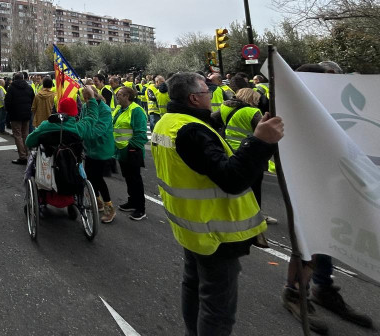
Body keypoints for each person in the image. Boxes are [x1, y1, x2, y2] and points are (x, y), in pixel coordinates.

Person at [152, 72, 283, 336]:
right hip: (215, 234)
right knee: (217, 308)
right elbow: (231, 179)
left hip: (191, 228)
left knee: (193, 287)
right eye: (207, 92)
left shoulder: (167, 122)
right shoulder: (191, 130)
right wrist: (260, 142)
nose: (212, 96)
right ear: (193, 98)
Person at [280, 62, 373, 333]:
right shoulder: (290, 107)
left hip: (334, 181)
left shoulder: (328, 106)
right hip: (305, 182)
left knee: (328, 237)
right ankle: (294, 292)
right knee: (309, 242)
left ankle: (323, 288)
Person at [77, 86, 116, 222]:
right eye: (84, 98)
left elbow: (98, 130)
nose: (85, 100)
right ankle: (97, 201)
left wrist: (81, 132)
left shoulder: (104, 109)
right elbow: (82, 122)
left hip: (102, 149)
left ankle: (109, 208)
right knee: (89, 177)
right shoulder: (86, 107)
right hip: (89, 149)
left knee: (98, 179)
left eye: (87, 97)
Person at [112, 87, 149, 220]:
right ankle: (132, 201)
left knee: (135, 179)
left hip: (132, 151)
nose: (117, 96)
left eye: (120, 94)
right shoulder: (119, 109)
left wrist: (130, 148)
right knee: (128, 178)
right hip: (121, 150)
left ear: (127, 96)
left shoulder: (136, 111)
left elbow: (140, 134)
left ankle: (140, 208)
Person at [5, 72, 35, 164]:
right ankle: (27, 154)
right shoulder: (29, 87)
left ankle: (22, 156)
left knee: (17, 135)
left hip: (15, 115)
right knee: (25, 134)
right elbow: (33, 99)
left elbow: (7, 102)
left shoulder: (11, 88)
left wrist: (9, 112)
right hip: (26, 114)